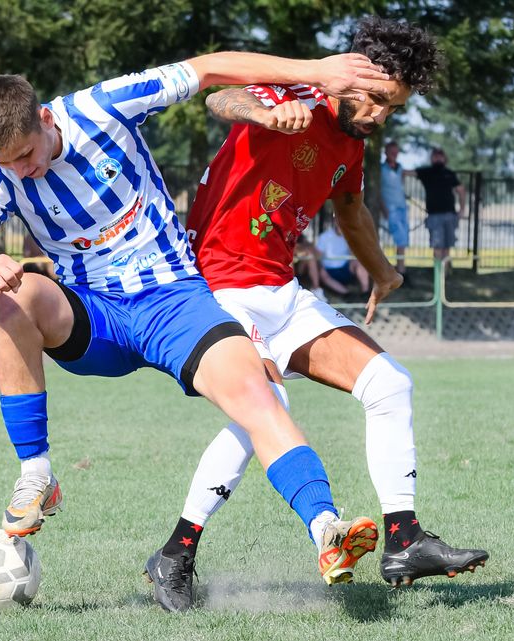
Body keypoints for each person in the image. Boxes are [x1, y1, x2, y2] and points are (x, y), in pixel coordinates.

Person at [0, 51, 395, 589]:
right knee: (12, 298)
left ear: (43, 118)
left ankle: (326, 529)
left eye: (26, 156)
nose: (20, 170)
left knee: (255, 392)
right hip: (94, 316)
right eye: (7, 163)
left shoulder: (102, 107)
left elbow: (210, 69)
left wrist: (316, 72)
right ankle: (36, 473)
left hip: (175, 302)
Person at [146, 17, 487, 612]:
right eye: (378, 97)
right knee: (267, 407)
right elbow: (223, 94)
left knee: (390, 384)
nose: (380, 114)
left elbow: (351, 210)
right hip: (215, 287)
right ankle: (176, 553)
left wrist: (382, 271)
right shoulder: (293, 93)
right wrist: (262, 113)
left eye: (394, 107)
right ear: (351, 73)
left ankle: (404, 539)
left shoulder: (350, 141)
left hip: (281, 290)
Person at [415, 147, 466, 264]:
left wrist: (462, 209)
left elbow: (461, 190)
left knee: (447, 247)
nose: (438, 157)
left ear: (444, 158)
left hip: (450, 215)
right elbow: (405, 172)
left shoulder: (450, 174)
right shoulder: (426, 172)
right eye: (435, 155)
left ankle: (445, 275)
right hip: (434, 216)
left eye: (440, 155)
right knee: (437, 247)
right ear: (432, 158)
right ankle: (438, 276)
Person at [379, 140, 413, 276]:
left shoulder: (400, 168)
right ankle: (400, 270)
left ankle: (400, 269)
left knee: (403, 240)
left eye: (396, 152)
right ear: (386, 152)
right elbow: (378, 191)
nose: (394, 154)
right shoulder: (381, 169)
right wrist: (384, 209)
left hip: (402, 208)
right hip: (390, 209)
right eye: (392, 151)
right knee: (399, 239)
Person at [315, 221, 371, 297]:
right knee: (322, 273)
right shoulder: (324, 237)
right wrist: (321, 268)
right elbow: (318, 256)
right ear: (335, 223)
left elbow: (354, 254)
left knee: (359, 263)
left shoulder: (349, 236)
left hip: (345, 268)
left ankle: (366, 292)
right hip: (329, 270)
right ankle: (347, 294)